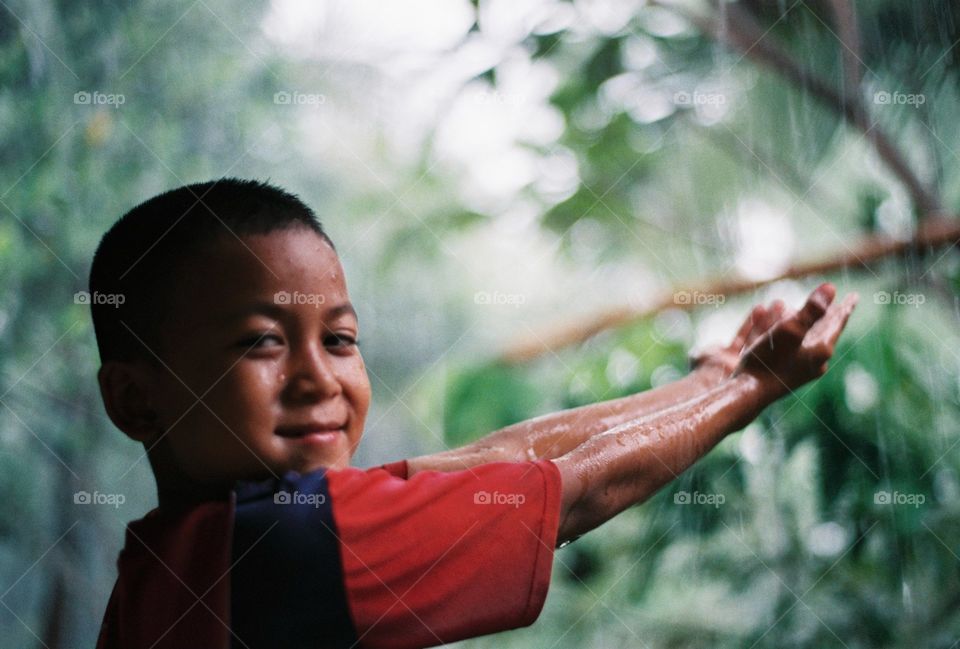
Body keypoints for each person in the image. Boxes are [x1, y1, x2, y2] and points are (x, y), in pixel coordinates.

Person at [90, 177, 857, 649]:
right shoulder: (282, 544)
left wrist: (712, 380)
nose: (318, 377)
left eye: (340, 339)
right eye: (262, 341)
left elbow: (503, 456)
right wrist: (751, 390)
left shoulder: (176, 561)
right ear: (134, 398)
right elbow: (572, 489)